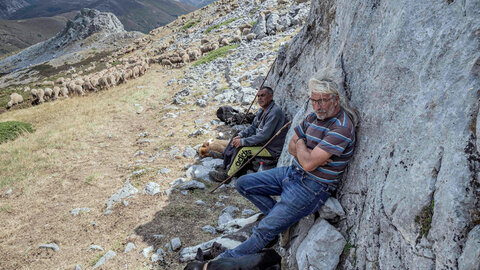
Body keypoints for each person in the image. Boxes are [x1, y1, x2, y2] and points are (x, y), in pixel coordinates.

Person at [216, 73, 358, 259]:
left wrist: (303, 147)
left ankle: (221, 262)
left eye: (322, 101)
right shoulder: (312, 117)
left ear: (335, 99)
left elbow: (307, 162)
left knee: (264, 230)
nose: (317, 106)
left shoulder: (341, 127)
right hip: (292, 173)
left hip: (312, 187)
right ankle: (281, 221)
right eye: (313, 100)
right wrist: (305, 148)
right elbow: (292, 146)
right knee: (243, 183)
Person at [209, 86, 288, 182]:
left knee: (244, 150)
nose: (259, 98)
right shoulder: (262, 110)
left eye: (263, 95)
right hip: (262, 142)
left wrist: (243, 142)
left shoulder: (275, 113)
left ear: (271, 96)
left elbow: (264, 135)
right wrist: (241, 135)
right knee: (237, 134)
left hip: (270, 148)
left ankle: (227, 176)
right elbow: (253, 127)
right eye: (258, 96)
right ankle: (226, 155)